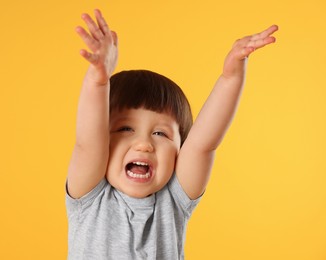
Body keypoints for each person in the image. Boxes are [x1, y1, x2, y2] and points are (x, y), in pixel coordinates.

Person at [66, 9, 278, 259]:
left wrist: (231, 77)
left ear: (180, 150)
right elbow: (88, 144)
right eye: (125, 129)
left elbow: (203, 144)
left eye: (160, 133)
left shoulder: (174, 200)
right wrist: (98, 81)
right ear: (104, 141)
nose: (144, 144)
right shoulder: (90, 198)